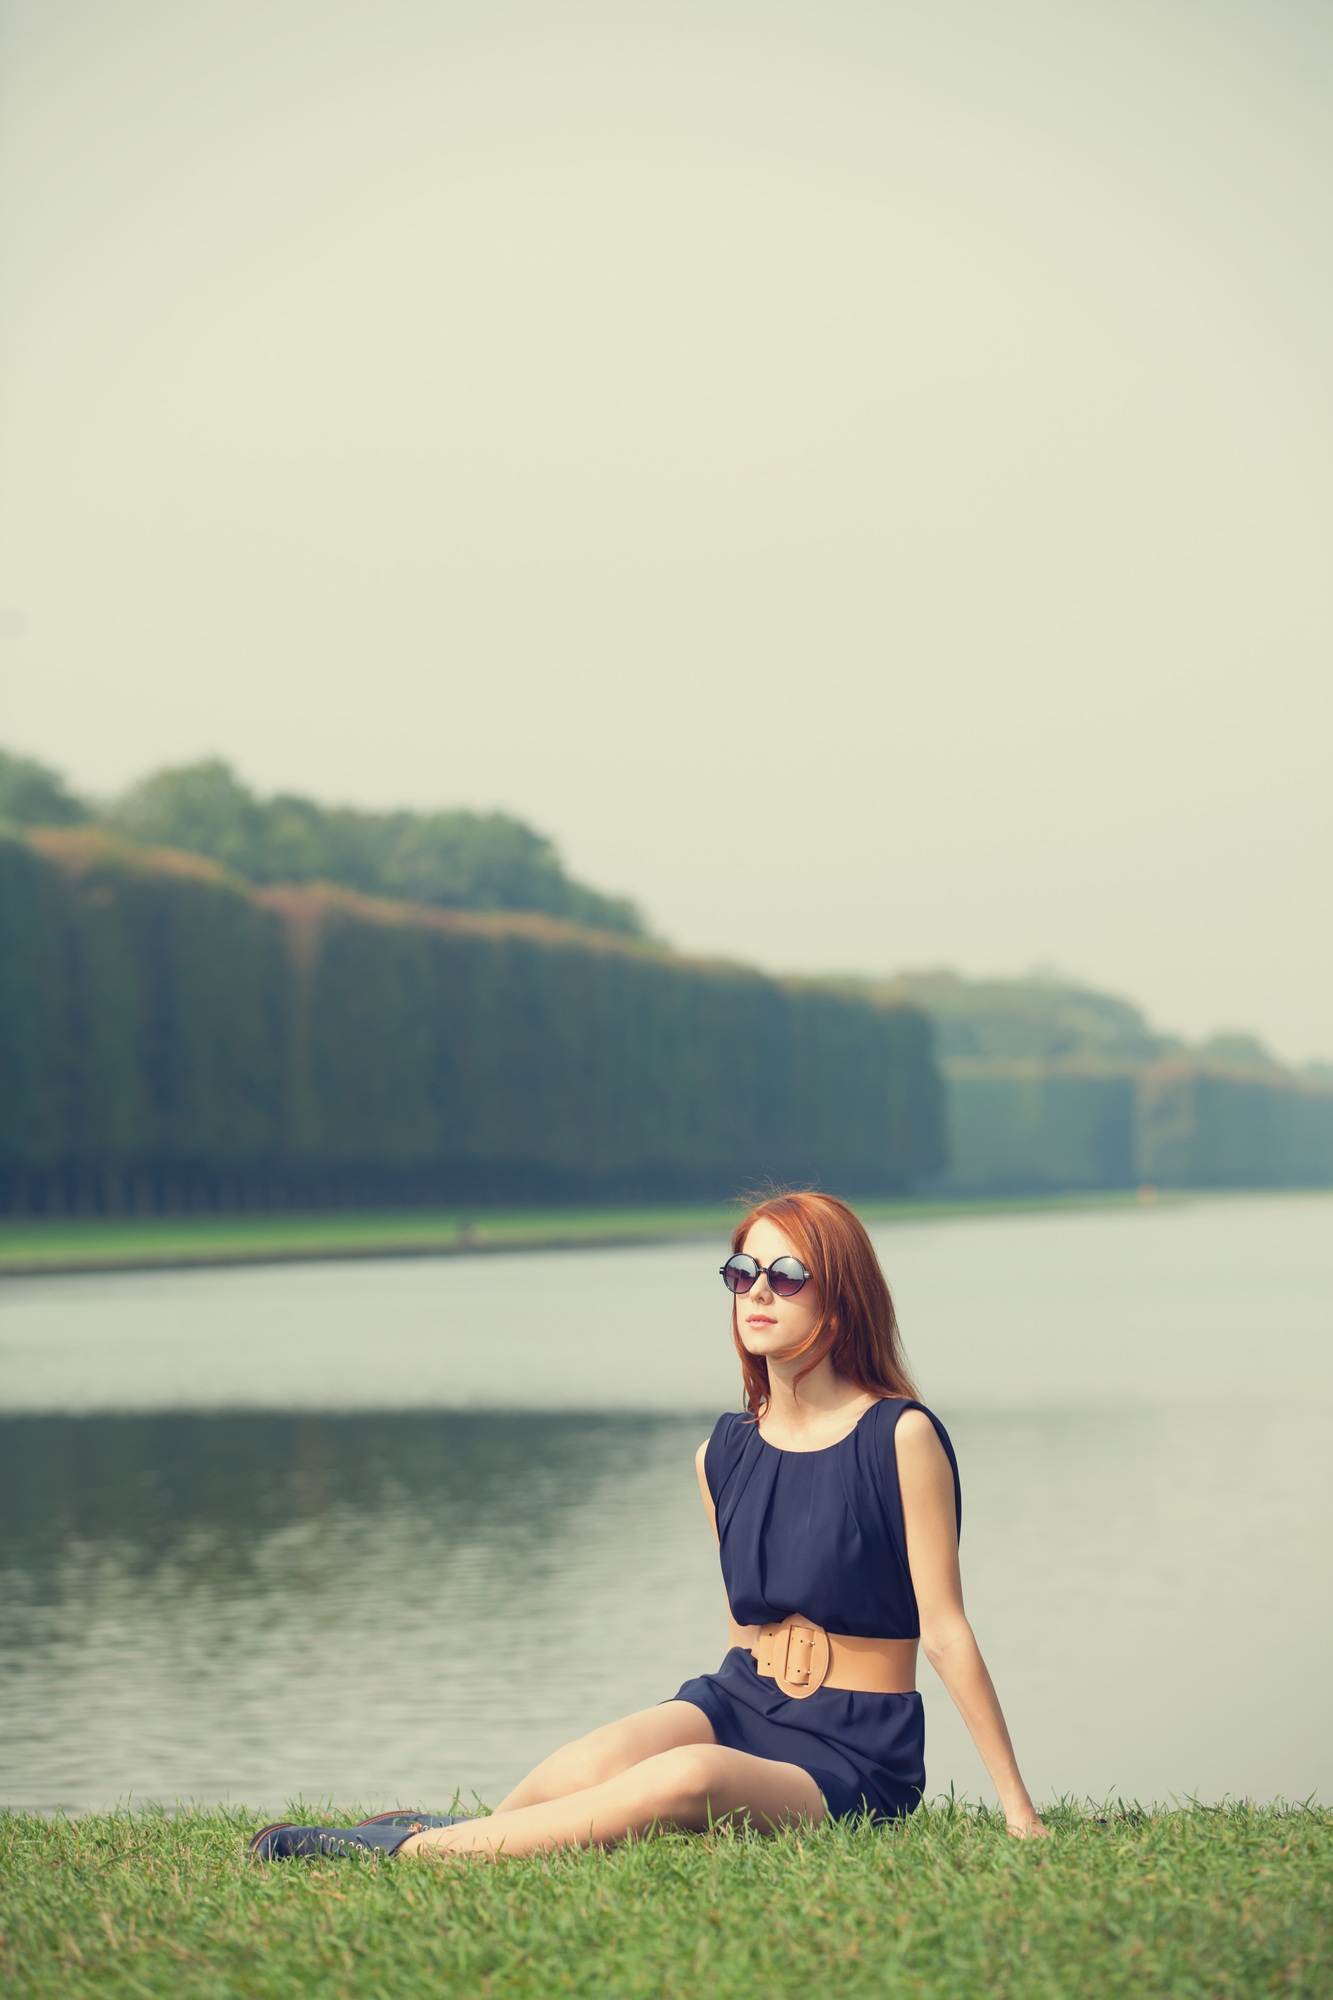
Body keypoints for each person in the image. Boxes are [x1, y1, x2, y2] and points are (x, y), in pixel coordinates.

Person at [251, 1190, 1047, 1861]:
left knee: (684, 1779)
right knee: (594, 1758)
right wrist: (726, 1708)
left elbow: (944, 1633)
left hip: (853, 1749)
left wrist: (1018, 1812)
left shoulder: (899, 1437)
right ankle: (470, 1833)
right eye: (741, 1273)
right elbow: (745, 1629)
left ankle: (408, 1851)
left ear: (840, 1302)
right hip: (741, 1699)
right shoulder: (720, 1454)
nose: (757, 1292)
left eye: (786, 1275)